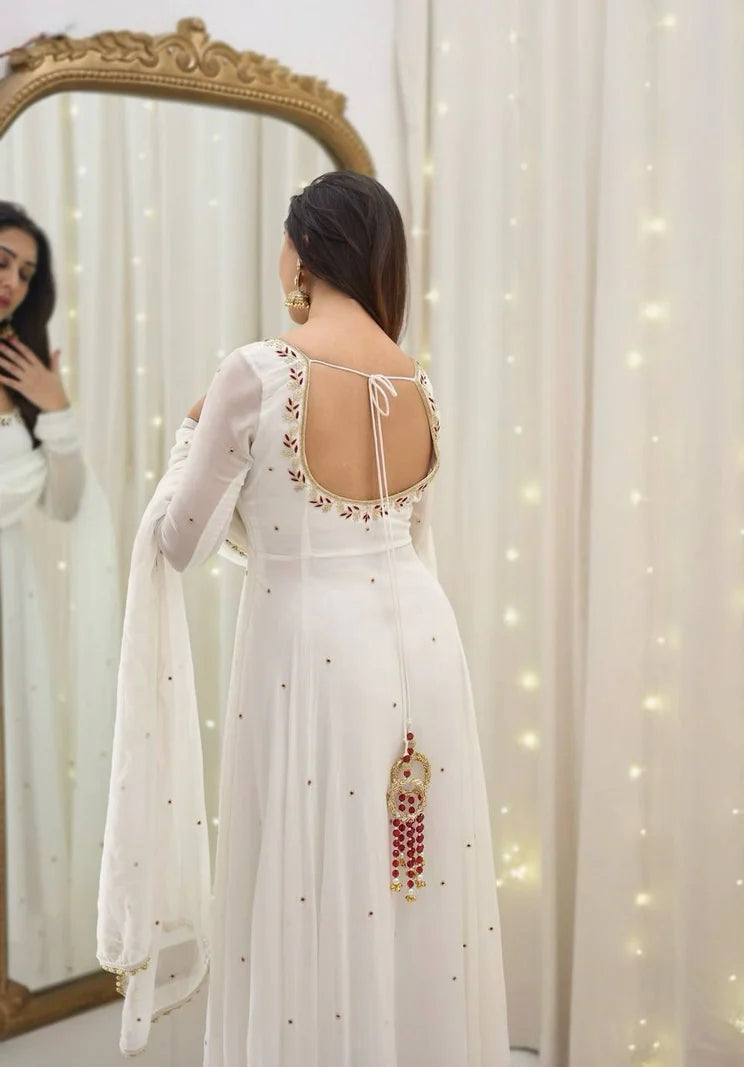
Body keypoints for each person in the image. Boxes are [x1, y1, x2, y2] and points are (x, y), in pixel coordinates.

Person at [98, 171, 509, 1066]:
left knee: (310, 877)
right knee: (410, 878)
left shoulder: (257, 371)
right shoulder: (417, 382)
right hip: (423, 643)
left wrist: (192, 431)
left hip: (313, 650)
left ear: (305, 250)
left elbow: (181, 541)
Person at [0, 201, 105, 988]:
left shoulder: (23, 372)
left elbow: (65, 505)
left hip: (16, 607)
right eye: (0, 261)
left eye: (25, 272)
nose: (11, 281)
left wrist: (57, 408)